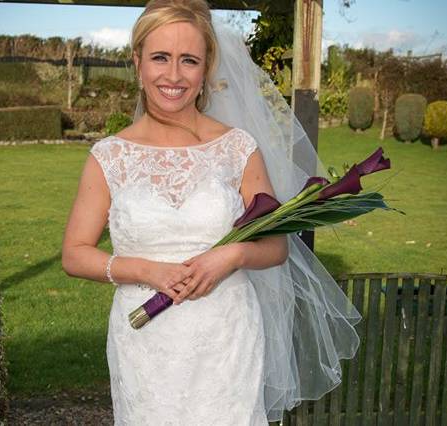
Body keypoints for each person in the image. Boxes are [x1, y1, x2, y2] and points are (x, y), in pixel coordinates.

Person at [62, 0, 360, 424]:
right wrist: (148, 271)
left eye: (189, 60)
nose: (173, 75)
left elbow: (274, 245)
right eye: (160, 58)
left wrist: (231, 255)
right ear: (137, 62)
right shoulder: (109, 156)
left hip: (227, 336)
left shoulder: (238, 148)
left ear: (206, 69)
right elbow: (75, 253)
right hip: (146, 343)